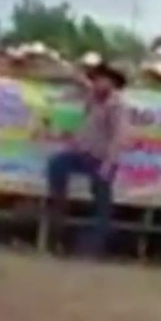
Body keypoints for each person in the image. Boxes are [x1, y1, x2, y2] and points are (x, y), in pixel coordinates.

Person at [45, 61, 128, 256]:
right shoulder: (96, 98)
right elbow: (81, 82)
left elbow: (120, 136)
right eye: (96, 79)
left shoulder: (117, 105)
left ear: (111, 83)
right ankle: (60, 208)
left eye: (101, 79)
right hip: (84, 154)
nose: (97, 82)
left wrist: (109, 163)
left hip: (101, 159)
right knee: (57, 164)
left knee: (102, 203)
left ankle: (92, 246)